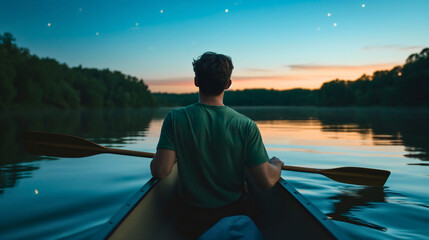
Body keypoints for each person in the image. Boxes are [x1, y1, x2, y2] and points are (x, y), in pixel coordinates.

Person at [150, 52, 284, 239]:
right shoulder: (246, 125)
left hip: (191, 222)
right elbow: (266, 181)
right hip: (234, 218)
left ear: (196, 81)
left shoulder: (175, 118)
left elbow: (160, 171)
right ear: (228, 84)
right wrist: (276, 165)